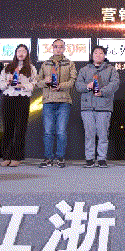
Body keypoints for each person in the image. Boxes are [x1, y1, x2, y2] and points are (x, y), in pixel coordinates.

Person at [75, 45, 120, 168]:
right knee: (89, 134)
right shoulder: (84, 70)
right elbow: (78, 85)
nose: (98, 55)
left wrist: (102, 91)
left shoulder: (111, 69)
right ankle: (89, 158)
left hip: (104, 106)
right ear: (92, 55)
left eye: (101, 53)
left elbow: (115, 84)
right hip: (87, 106)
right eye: (96, 53)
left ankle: (101, 159)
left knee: (103, 134)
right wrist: (87, 86)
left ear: (104, 56)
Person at [37, 39, 77, 168]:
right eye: (56, 47)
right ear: (52, 48)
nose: (58, 49)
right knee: (48, 131)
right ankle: (48, 158)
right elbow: (37, 82)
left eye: (60, 47)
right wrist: (45, 81)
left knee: (61, 131)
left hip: (64, 101)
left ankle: (60, 157)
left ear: (64, 49)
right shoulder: (45, 64)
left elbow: (72, 81)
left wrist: (61, 86)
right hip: (48, 101)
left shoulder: (70, 63)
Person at [0, 44, 36, 167]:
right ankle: (6, 156)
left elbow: (34, 83)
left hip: (22, 99)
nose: (21, 53)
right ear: (15, 53)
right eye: (19, 51)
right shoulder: (8, 67)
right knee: (8, 128)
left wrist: (23, 85)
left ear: (27, 54)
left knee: (20, 128)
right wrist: (7, 82)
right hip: (8, 98)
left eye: (24, 51)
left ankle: (17, 157)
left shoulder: (31, 68)